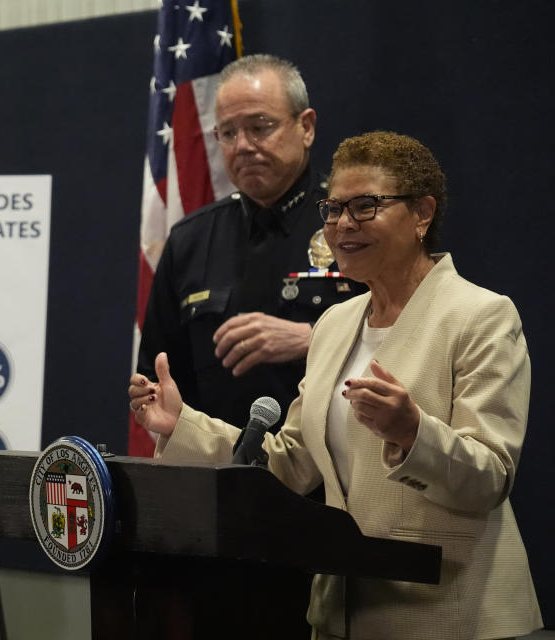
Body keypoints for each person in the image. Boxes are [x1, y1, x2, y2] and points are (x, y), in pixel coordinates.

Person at [129, 131, 542, 639]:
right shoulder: (336, 324)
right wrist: (183, 426)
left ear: (422, 214)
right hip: (341, 613)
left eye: (365, 206)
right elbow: (291, 461)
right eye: (333, 208)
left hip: (449, 613)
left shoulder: (480, 317)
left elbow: (491, 478)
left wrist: (414, 433)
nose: (342, 224)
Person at [137, 54, 365, 437]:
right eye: (228, 133)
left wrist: (314, 339)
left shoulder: (356, 222)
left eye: (260, 127)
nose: (242, 145)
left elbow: (410, 346)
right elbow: (159, 373)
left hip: (335, 477)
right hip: (218, 477)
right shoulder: (189, 239)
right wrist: (148, 394)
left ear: (306, 127)